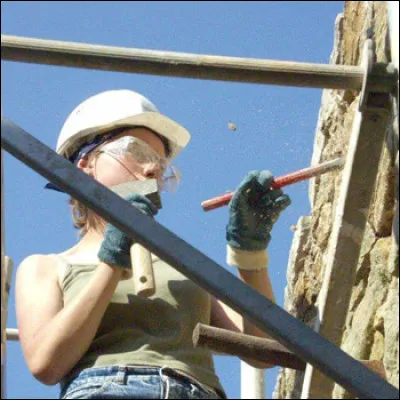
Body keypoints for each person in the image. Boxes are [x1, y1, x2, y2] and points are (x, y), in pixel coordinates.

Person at [15, 89, 291, 399]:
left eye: (161, 164)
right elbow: (46, 364)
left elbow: (264, 351)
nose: (153, 170)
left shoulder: (182, 263)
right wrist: (112, 261)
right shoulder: (46, 266)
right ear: (86, 162)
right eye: (137, 152)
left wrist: (249, 253)